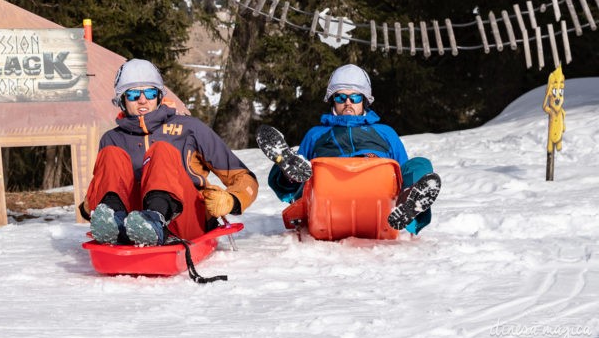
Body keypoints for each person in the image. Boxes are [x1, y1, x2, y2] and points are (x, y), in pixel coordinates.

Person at [81, 59, 258, 247]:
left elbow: (245, 178)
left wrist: (232, 200)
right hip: (132, 223)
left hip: (185, 219)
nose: (142, 100)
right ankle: (115, 224)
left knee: (161, 150)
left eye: (149, 92)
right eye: (133, 94)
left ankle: (154, 220)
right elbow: (102, 185)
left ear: (159, 95)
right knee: (111, 154)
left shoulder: (190, 128)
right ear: (122, 99)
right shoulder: (112, 139)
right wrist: (92, 203)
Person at [257, 63, 441, 233]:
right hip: (324, 193)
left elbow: (403, 169)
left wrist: (409, 181)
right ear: (332, 100)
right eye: (340, 97)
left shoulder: (385, 133)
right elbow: (301, 176)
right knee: (295, 164)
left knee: (420, 165)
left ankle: (407, 203)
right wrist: (294, 173)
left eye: (355, 97)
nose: (348, 102)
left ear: (364, 101)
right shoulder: (316, 134)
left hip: (379, 192)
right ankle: (289, 171)